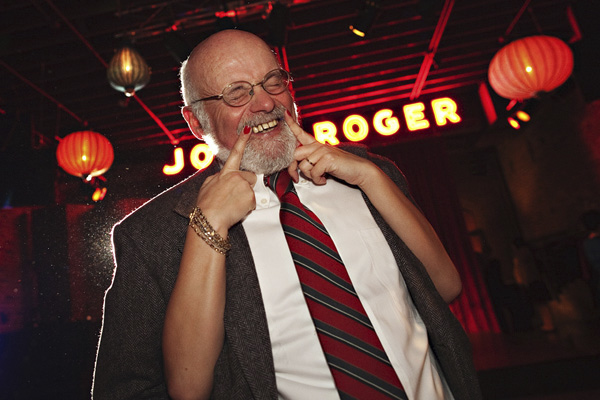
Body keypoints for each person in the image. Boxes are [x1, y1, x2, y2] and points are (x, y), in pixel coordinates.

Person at [92, 29, 481, 400]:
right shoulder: (152, 235)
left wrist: (369, 176)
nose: (265, 103)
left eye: (273, 81)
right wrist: (207, 226)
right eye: (236, 93)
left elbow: (445, 288)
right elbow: (173, 390)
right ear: (196, 122)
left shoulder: (368, 172)